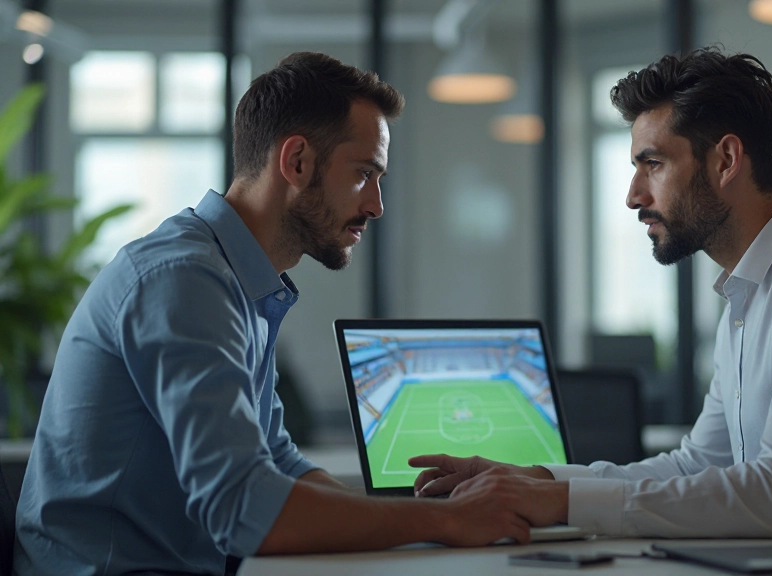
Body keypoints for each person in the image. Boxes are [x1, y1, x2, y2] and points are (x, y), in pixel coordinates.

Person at [14, 52, 556, 576]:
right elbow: (244, 509)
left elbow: (278, 462)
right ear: (296, 161)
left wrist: (423, 523)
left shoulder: (238, 281)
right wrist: (447, 521)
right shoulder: (184, 280)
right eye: (364, 173)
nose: (376, 205)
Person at [411, 48, 772, 547]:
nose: (633, 196)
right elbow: (696, 467)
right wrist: (537, 480)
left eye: (653, 164)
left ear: (726, 160)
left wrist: (559, 502)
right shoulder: (750, 295)